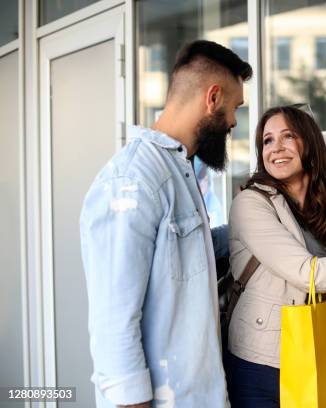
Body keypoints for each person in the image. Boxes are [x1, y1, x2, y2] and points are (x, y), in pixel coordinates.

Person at [80, 40, 251, 408]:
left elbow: (190, 253)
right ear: (213, 97)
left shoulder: (180, 171)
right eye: (235, 107)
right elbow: (114, 323)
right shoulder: (131, 181)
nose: (234, 121)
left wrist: (255, 225)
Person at [225, 105, 326, 407]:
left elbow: (318, 305)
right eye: (267, 140)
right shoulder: (251, 203)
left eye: (288, 137)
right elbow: (308, 274)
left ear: (309, 145)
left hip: (304, 363)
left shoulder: (319, 213)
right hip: (259, 368)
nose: (276, 148)